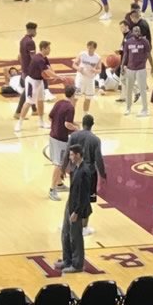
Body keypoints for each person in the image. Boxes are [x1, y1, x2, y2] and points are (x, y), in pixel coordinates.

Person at [56, 143, 96, 275]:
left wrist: (77, 212)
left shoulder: (84, 171)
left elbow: (84, 195)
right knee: (66, 234)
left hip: (76, 208)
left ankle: (77, 264)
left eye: (72, 155)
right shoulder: (77, 168)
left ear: (78, 155)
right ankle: (67, 260)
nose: (70, 157)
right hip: (70, 204)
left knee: (76, 236)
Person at [48, 83, 76, 198]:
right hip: (60, 139)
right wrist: (76, 128)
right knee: (59, 164)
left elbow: (50, 117)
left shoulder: (59, 102)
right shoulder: (70, 107)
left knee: (62, 163)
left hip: (52, 135)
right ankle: (52, 189)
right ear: (73, 95)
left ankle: (59, 184)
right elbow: (67, 124)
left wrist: (56, 125)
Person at [120, 20, 151, 115]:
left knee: (143, 90)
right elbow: (125, 55)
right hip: (130, 68)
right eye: (135, 31)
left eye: (138, 31)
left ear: (140, 32)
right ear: (132, 32)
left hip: (141, 68)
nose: (137, 33)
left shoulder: (145, 41)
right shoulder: (128, 42)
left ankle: (145, 109)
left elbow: (149, 54)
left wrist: (152, 67)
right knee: (128, 89)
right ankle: (128, 108)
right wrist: (122, 66)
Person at [11, 22, 39, 123]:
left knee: (30, 89)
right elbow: (33, 58)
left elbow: (20, 56)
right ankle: (18, 112)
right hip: (29, 70)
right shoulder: (31, 42)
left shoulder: (23, 40)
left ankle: (34, 110)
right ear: (32, 30)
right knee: (28, 90)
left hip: (24, 68)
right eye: (35, 30)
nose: (36, 32)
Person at [76, 39, 102, 105]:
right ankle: (71, 113)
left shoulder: (98, 58)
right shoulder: (82, 54)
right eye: (88, 47)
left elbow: (100, 70)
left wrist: (95, 70)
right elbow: (73, 64)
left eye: (91, 48)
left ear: (94, 48)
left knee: (88, 98)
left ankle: (86, 113)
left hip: (90, 80)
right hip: (80, 79)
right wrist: (78, 68)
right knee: (76, 97)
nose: (89, 49)